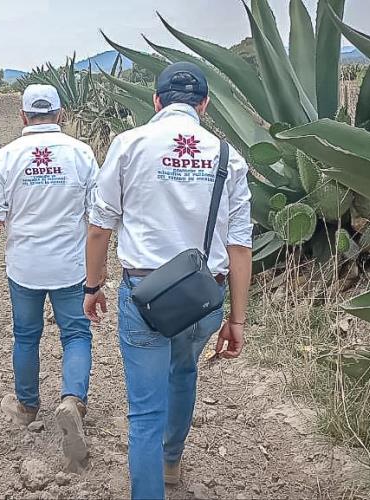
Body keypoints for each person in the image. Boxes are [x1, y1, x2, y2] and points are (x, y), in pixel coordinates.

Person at [83, 62, 253, 499]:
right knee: (184, 371)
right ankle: (172, 463)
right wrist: (237, 318)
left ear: (156, 101)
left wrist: (93, 285)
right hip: (203, 296)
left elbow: (100, 227)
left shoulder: (129, 144)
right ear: (205, 104)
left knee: (144, 413)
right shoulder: (227, 156)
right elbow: (239, 247)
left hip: (145, 295)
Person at [0, 84, 99, 468]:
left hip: (24, 267)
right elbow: (98, 217)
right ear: (61, 115)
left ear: (23, 116)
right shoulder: (81, 154)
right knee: (76, 333)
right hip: (70, 266)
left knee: (26, 335)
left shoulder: (7, 156)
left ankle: (27, 405)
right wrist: (100, 271)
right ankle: (71, 398)